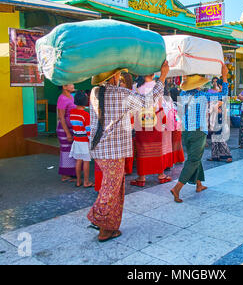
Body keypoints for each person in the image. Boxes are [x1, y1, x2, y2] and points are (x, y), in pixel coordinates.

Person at [87, 62, 168, 242]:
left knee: (116, 188)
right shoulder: (120, 94)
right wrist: (162, 78)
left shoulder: (94, 93)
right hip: (113, 151)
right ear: (113, 77)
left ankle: (110, 227)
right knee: (111, 188)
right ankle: (99, 219)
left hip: (99, 148)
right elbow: (148, 102)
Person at [170, 65, 230, 203]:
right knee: (193, 160)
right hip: (198, 132)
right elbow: (223, 95)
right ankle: (177, 188)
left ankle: (199, 184)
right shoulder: (203, 95)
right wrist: (225, 76)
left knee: (195, 157)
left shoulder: (183, 95)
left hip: (186, 132)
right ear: (198, 85)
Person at [130, 75, 172, 187]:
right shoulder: (157, 86)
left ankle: (141, 177)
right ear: (152, 74)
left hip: (140, 120)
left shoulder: (135, 87)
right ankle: (161, 175)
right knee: (157, 148)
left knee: (142, 148)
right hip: (155, 119)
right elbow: (160, 104)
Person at [69, 91, 94, 188]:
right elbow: (88, 131)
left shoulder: (72, 113)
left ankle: (78, 181)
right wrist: (92, 141)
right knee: (86, 161)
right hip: (84, 141)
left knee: (78, 161)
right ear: (86, 102)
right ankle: (86, 182)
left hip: (77, 141)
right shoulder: (85, 115)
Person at [57, 84, 77, 182]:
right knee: (66, 151)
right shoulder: (62, 98)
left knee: (71, 151)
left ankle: (71, 173)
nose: (73, 85)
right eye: (70, 84)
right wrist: (68, 133)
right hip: (64, 130)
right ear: (64, 87)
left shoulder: (71, 97)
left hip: (72, 129)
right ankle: (65, 175)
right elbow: (61, 117)